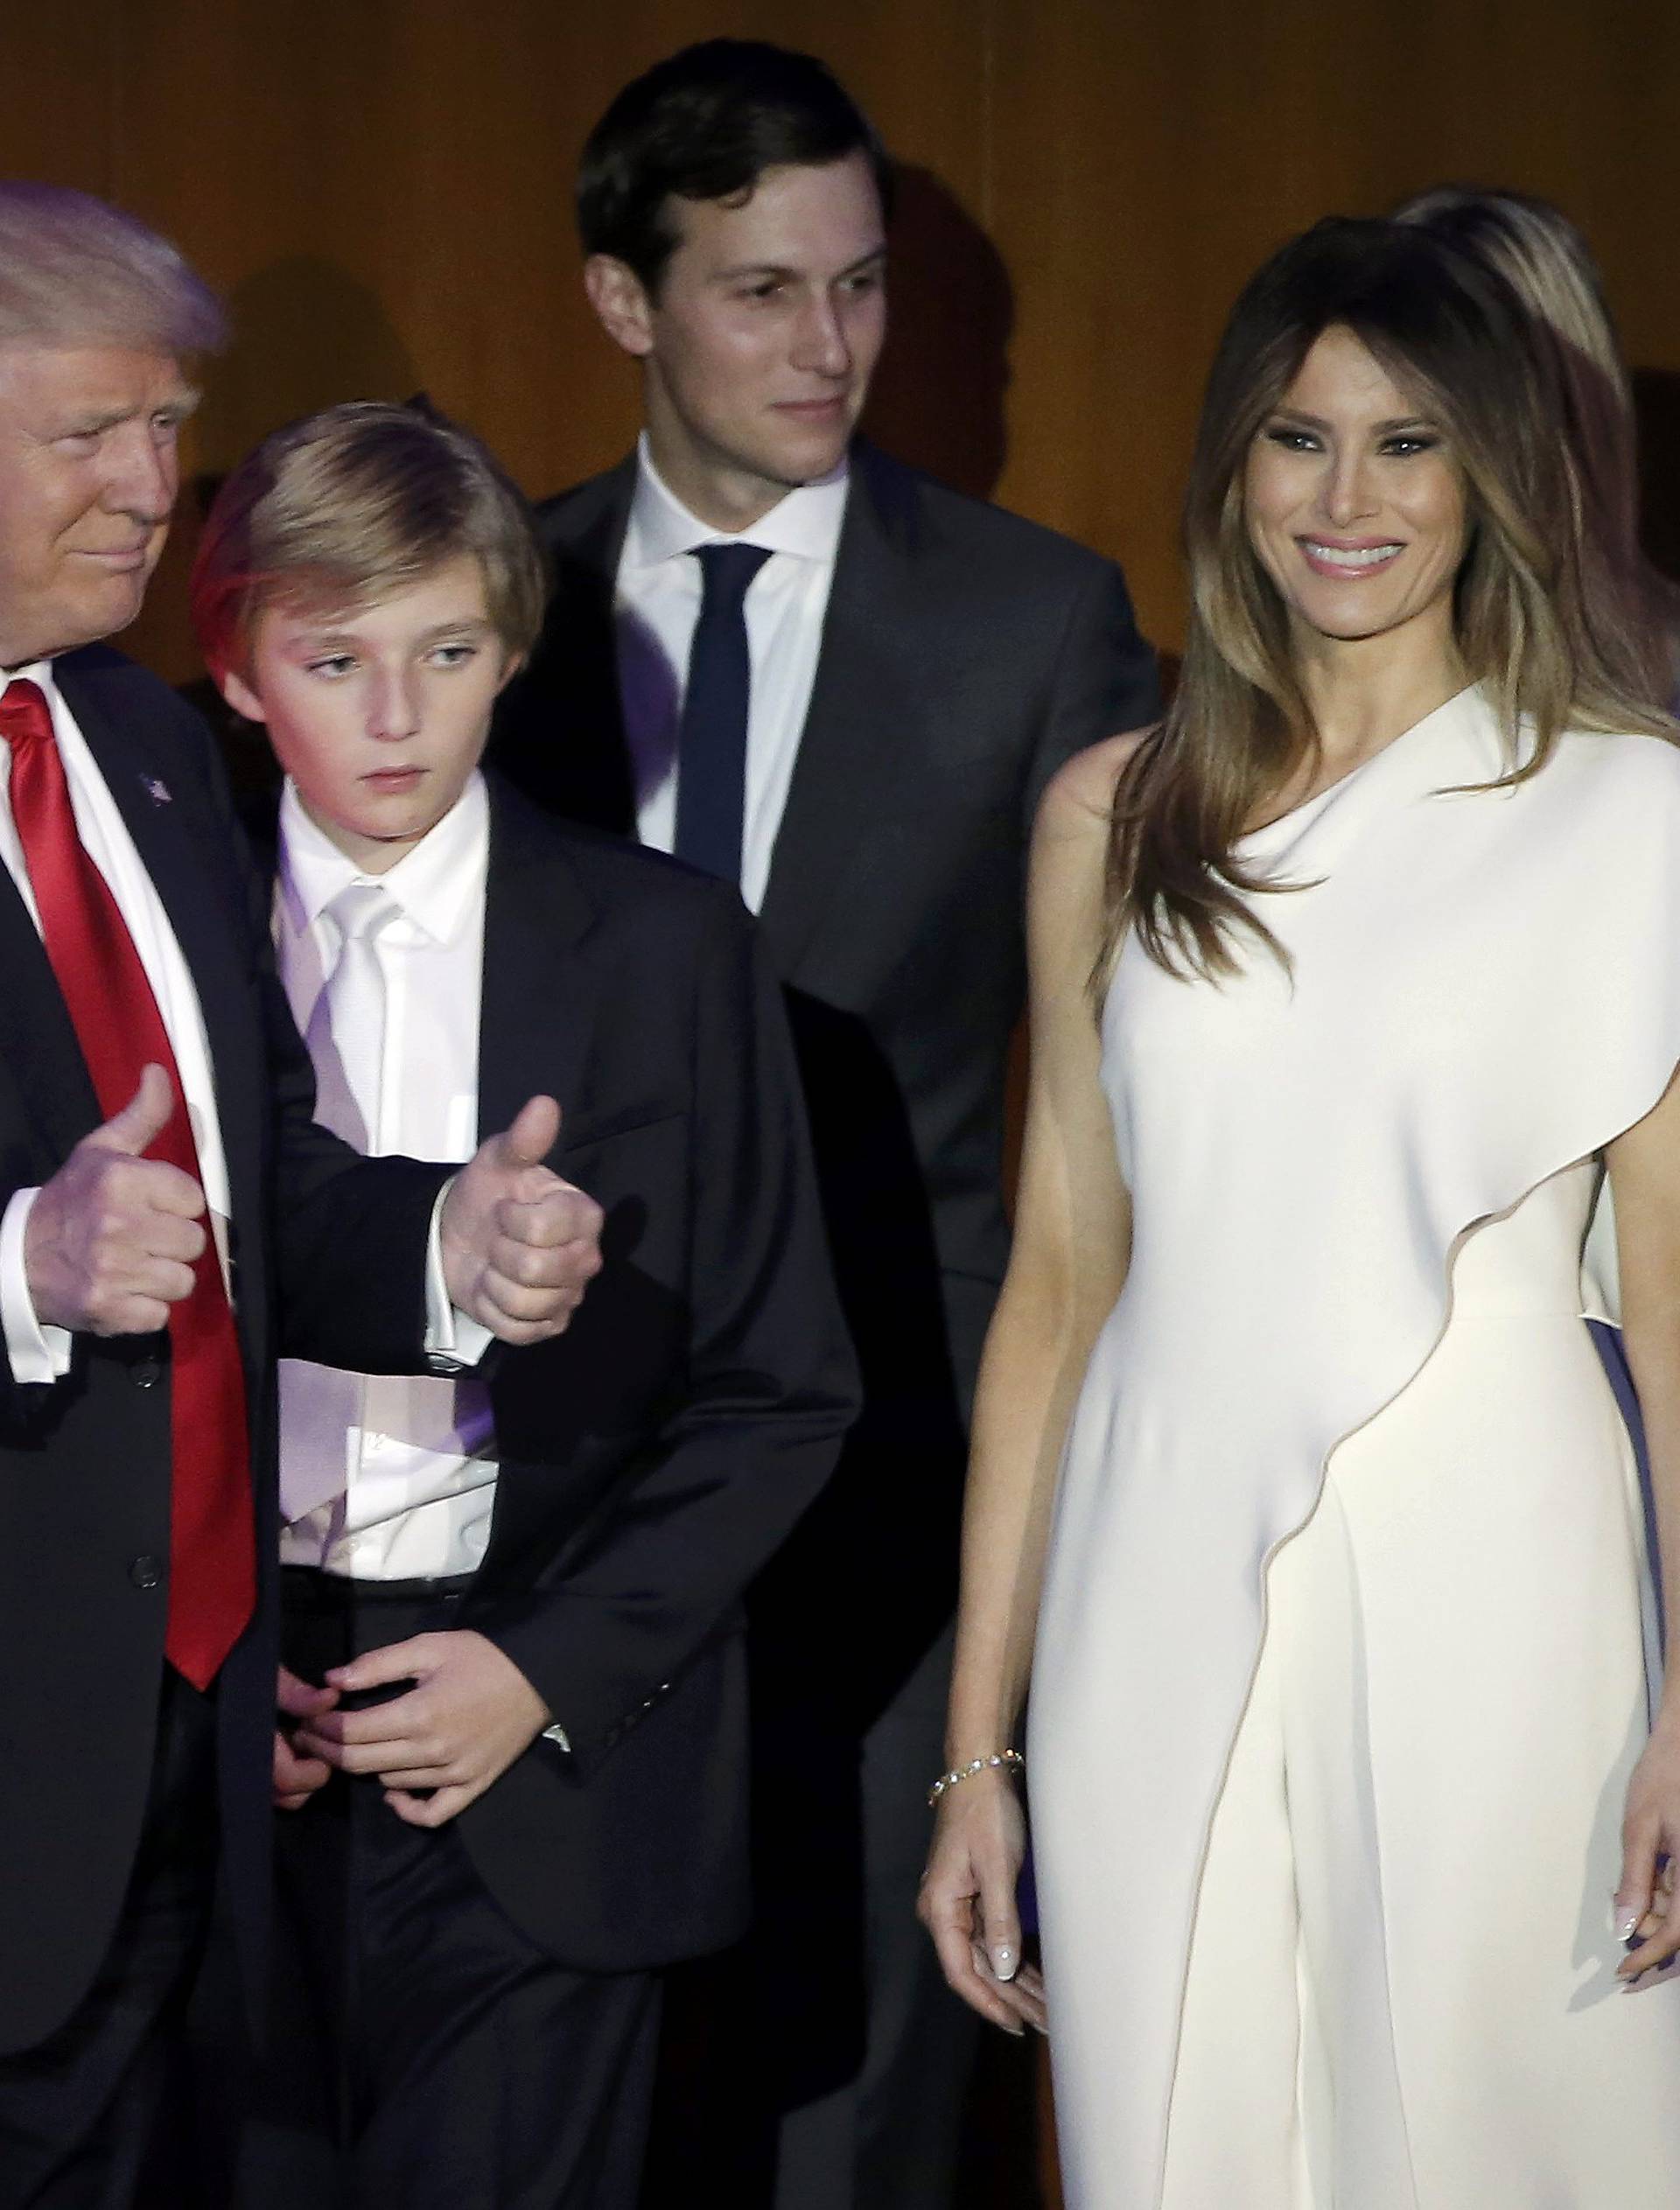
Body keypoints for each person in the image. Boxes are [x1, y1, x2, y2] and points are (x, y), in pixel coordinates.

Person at [920, 214, 1680, 2208]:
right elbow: (1060, 1289)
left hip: (1501, 1574)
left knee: (1498, 2128)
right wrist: (973, 1747)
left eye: (1408, 444)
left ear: (1495, 474)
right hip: (1148, 1568)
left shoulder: (1629, 811)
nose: (1343, 500)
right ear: (1233, 468)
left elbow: (1679, 1318)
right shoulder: (1118, 812)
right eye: (1296, 437)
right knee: (1186, 2127)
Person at [488, 40, 1159, 2206]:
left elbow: (1135, 1070)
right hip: (556, 1473)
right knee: (577, 2076)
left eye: (860, 287)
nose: (830, 344)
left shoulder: (1035, 618)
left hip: (914, 1471)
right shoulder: (488, 608)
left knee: (876, 2086)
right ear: (625, 301)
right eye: (764, 290)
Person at [0, 186, 604, 2208]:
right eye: (86, 433)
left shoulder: (140, 746)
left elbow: (257, 1183)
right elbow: (85, 1249)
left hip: (190, 1771)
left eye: (167, 427)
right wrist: (23, 1261)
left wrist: (445, 1244)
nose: (149, 488)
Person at [188, 398, 857, 2209]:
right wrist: (200, 1677)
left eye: (448, 652)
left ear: (512, 650)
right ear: (241, 673)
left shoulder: (663, 948)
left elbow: (779, 1391)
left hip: (540, 1766)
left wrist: (539, 1673)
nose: (394, 719)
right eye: (334, 659)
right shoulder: (159, 949)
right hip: (224, 1776)